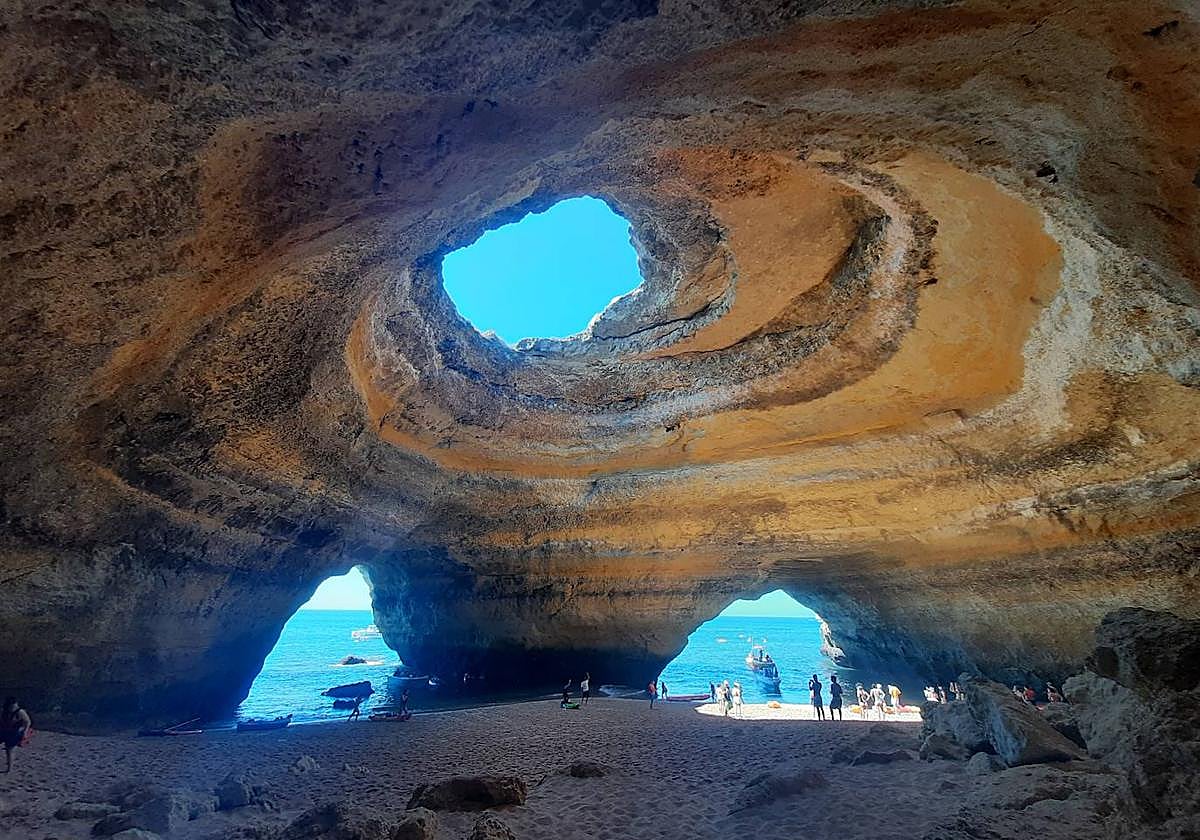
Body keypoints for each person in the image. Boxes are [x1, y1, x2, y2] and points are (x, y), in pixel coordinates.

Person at [1, 698, 31, 774]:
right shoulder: (4, 711)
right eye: (11, 707)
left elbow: (27, 722)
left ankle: (9, 769)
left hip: (14, 732)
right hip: (3, 730)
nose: (13, 708)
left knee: (10, 750)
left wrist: (25, 731)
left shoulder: (20, 712)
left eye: (14, 706)